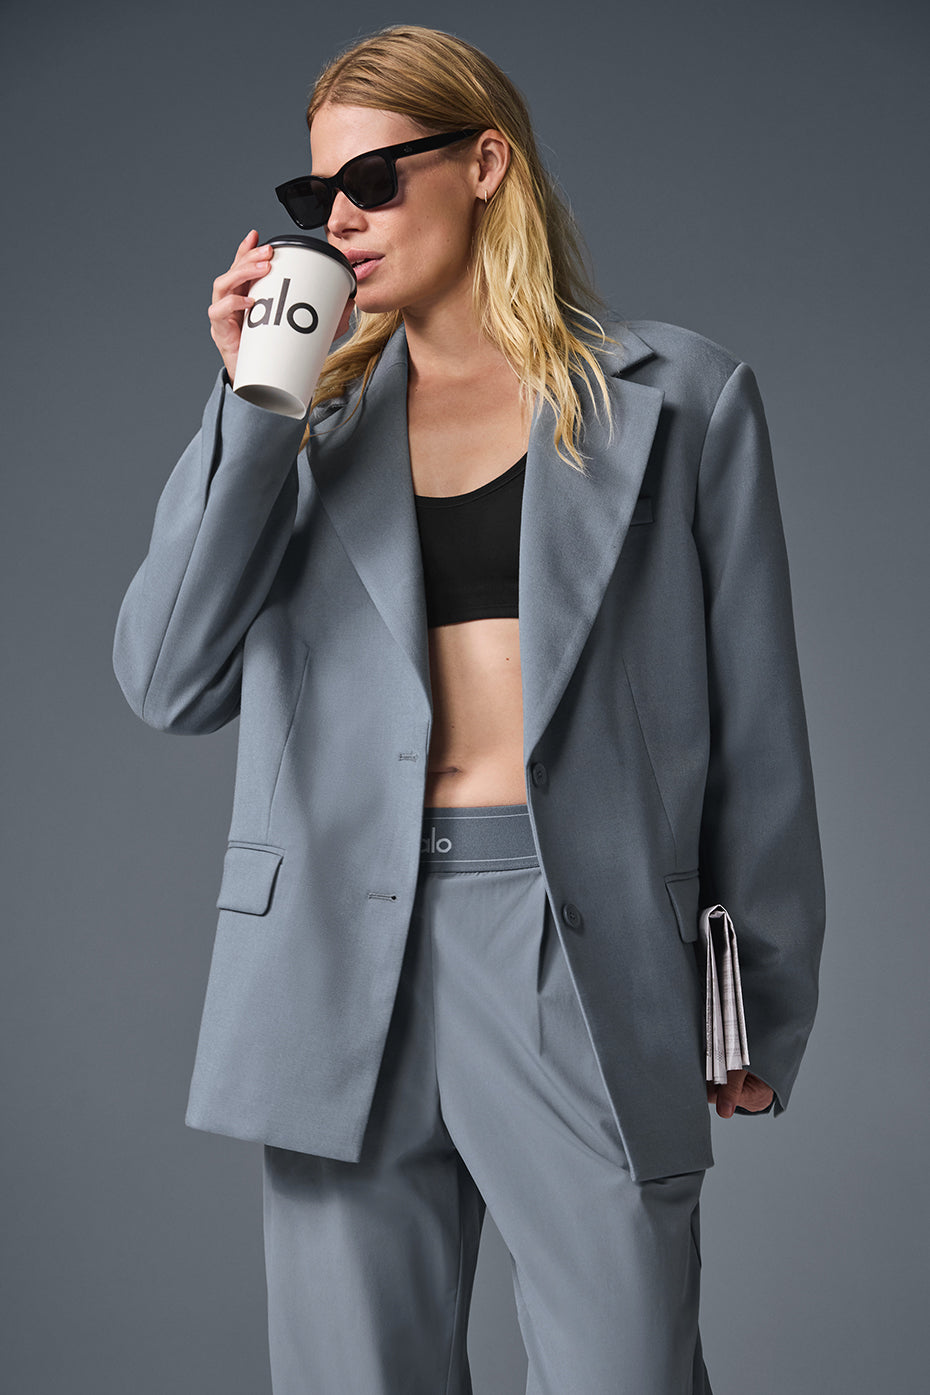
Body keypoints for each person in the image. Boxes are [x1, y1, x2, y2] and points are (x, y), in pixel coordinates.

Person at [112, 23, 825, 1395]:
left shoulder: (679, 400)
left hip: (578, 948)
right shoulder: (301, 426)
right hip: (331, 958)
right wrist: (254, 403)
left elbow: (757, 734)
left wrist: (761, 1004)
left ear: (485, 163)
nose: (338, 221)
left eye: (372, 180)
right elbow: (167, 680)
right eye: (314, 194)